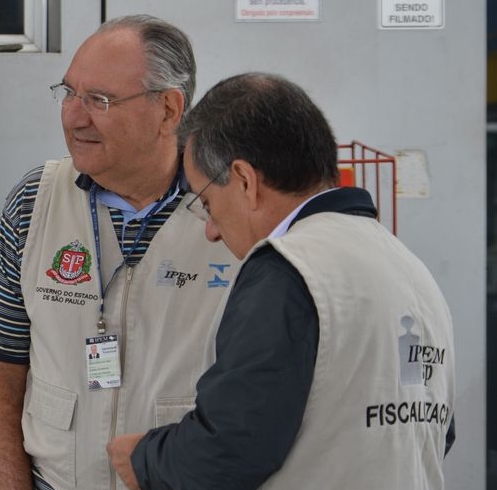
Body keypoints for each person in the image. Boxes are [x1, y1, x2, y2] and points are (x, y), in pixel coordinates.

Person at [107, 72, 456, 490]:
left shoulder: (288, 269)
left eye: (206, 204)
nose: (211, 231)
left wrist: (145, 459)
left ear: (245, 181)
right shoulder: (410, 271)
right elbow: (436, 434)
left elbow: (232, 447)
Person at [0, 15, 239, 490]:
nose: (74, 116)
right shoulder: (35, 201)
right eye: (69, 92)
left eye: (100, 100)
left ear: (169, 111)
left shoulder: (231, 213)